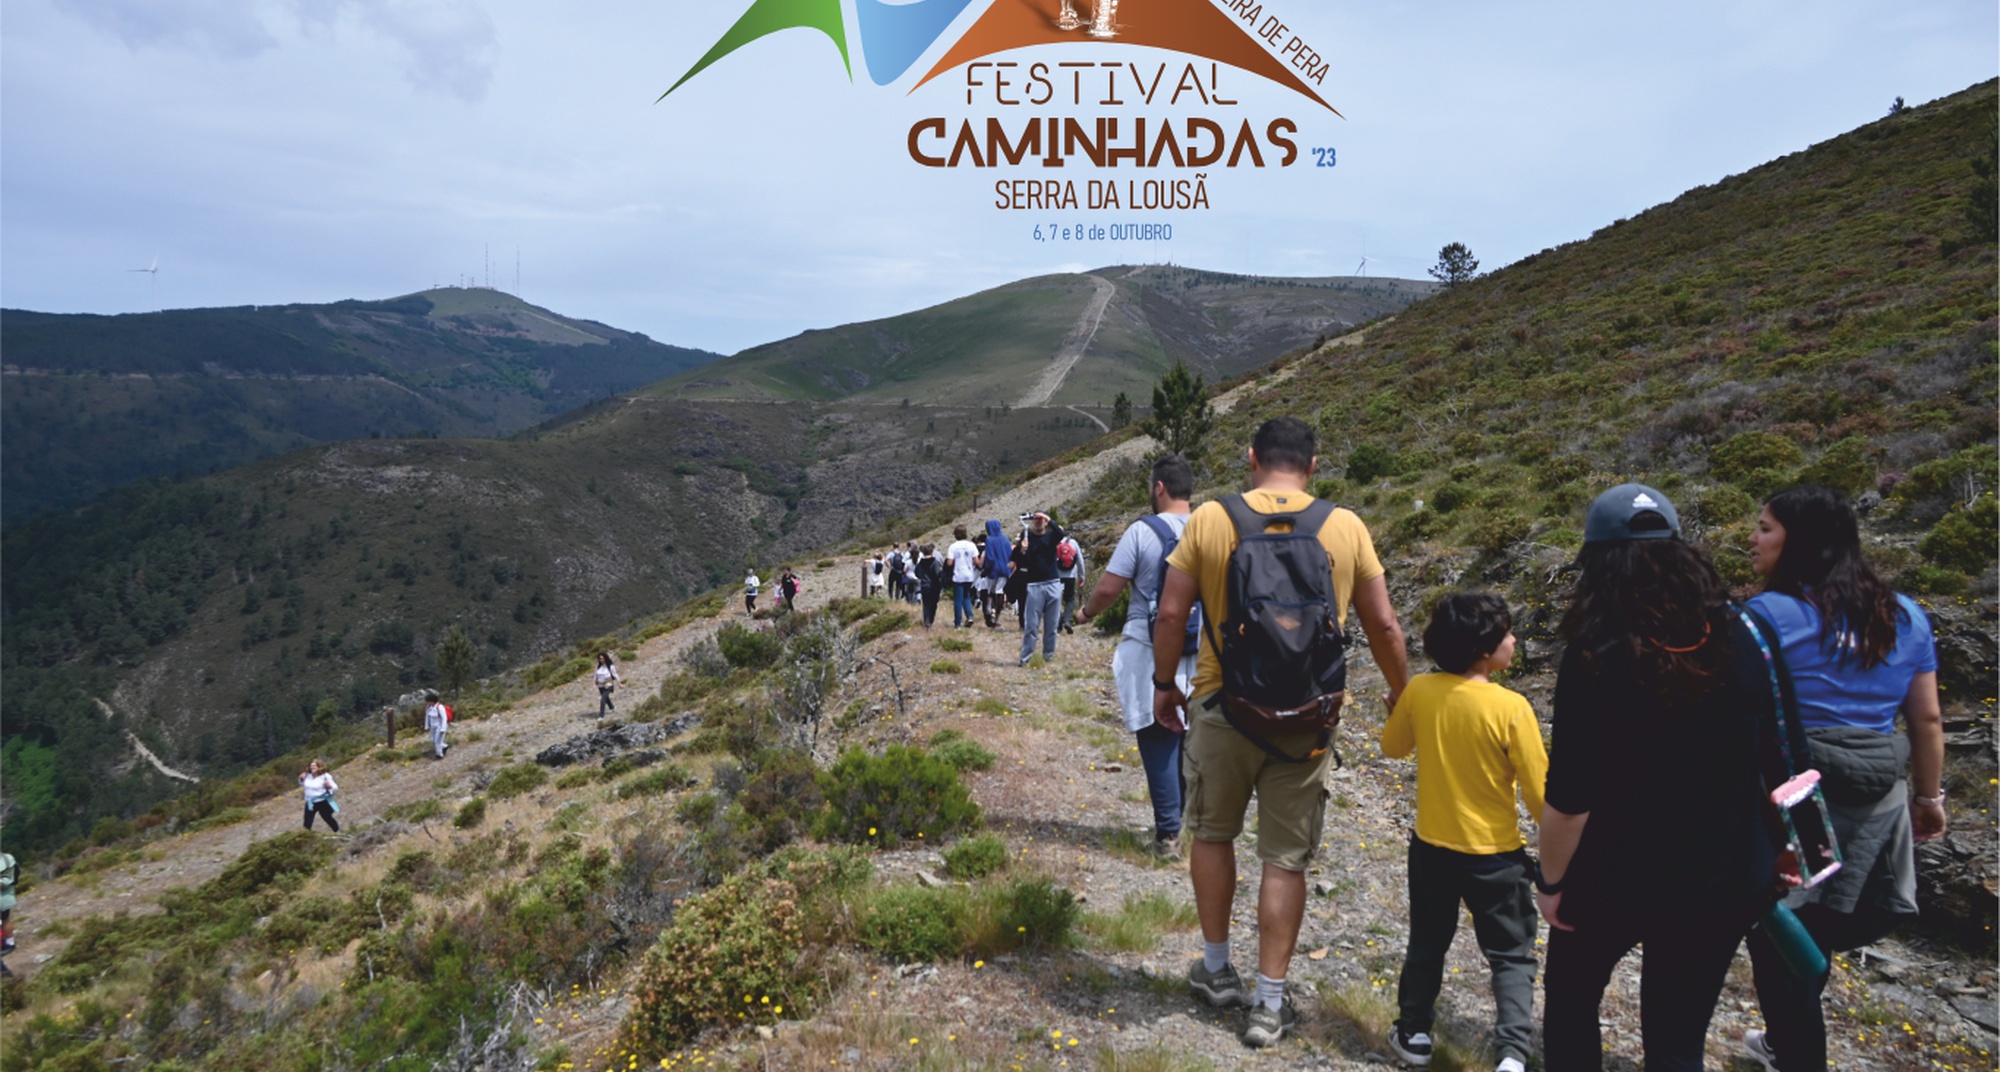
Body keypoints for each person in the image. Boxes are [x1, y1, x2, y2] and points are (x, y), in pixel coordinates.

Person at [1152, 416, 1411, 1048]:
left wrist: (1165, 685)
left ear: (1251, 458)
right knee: (1285, 860)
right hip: (1308, 718)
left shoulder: (1213, 519)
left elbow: (1169, 610)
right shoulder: (1345, 526)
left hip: (1221, 706)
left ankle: (1216, 970)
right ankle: (1268, 1004)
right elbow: (1382, 626)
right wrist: (1404, 695)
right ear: (1314, 465)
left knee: (1213, 834)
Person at [1536, 484, 1795, 1072]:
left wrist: (1551, 881)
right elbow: (1784, 751)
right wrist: (1786, 847)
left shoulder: (1596, 651)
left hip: (1612, 874)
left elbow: (1571, 797)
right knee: (1678, 1038)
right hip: (1723, 875)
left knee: (1573, 1002)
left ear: (1598, 561)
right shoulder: (1747, 632)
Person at [1740, 484, 1947, 1072]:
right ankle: (1788, 1040)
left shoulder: (1766, 617)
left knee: (1784, 928)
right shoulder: (1904, 614)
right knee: (1831, 919)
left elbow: (1742, 711)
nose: (1753, 539)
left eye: (1765, 528)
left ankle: (1794, 1052)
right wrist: (1929, 797)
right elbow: (1926, 717)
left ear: (1796, 541)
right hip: (1881, 793)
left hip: (1799, 791)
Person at [1380, 593, 1547, 1072]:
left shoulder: (1421, 691)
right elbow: (1539, 798)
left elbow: (1392, 748)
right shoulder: (1512, 709)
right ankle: (1512, 1053)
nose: (1514, 641)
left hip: (1431, 847)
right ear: (1484, 649)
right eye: (1507, 634)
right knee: (1511, 956)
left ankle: (1413, 1032)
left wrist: (1397, 707)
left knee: (1428, 941)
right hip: (1497, 857)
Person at [1077, 453, 1199, 860]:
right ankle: (1185, 822)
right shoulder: (1211, 529)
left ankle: (1168, 834)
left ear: (1159, 487)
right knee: (1188, 738)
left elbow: (1110, 588)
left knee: (1157, 736)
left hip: (1148, 646)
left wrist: (1086, 613)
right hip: (1202, 650)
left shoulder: (1141, 532)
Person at [1014, 511, 1070, 666]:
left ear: (1045, 522)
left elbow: (1061, 533)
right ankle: (1025, 658)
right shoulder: (1027, 537)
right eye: (1036, 519)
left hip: (1053, 583)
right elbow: (1018, 559)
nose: (1038, 522)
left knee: (1051, 626)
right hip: (1034, 585)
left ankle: (1048, 657)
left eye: (1041, 519)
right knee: (1031, 625)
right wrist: (1022, 549)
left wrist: (1048, 518)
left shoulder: (1052, 536)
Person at [979, 519, 1013, 627]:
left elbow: (990, 558)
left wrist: (985, 571)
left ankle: (988, 612)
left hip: (993, 570)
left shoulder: (990, 540)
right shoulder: (1005, 538)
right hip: (1005, 569)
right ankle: (997, 616)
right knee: (1000, 592)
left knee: (990, 592)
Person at [947, 525, 980, 628]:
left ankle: (958, 622)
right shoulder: (971, 545)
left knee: (958, 599)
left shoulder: (953, 546)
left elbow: (949, 563)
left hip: (958, 575)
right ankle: (969, 616)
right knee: (966, 596)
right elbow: (976, 561)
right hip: (969, 575)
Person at [300, 758, 341, 832]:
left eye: (314, 766)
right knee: (307, 821)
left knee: (327, 818)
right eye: (311, 766)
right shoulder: (308, 776)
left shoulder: (325, 776)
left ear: (319, 767)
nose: (312, 768)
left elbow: (335, 787)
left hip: (322, 801)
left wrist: (329, 786)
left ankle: (337, 831)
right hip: (310, 802)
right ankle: (305, 837)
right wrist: (301, 779)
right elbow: (304, 784)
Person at [1058, 532, 1086, 633]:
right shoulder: (1073, 543)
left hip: (1057, 576)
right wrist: (1082, 576)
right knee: (1070, 599)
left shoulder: (1054, 543)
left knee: (1056, 599)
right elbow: (1080, 561)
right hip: (1071, 576)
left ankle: (1058, 622)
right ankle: (1067, 620)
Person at [916, 543, 944, 628]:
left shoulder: (920, 563)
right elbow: (937, 574)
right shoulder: (934, 562)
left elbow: (917, 573)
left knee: (926, 604)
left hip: (924, 585)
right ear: (932, 552)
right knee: (933, 604)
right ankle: (930, 620)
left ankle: (926, 621)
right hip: (934, 586)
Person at [0, 846, 17, 965]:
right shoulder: (8, 858)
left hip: (2, 896)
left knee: (4, 920)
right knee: (5, 920)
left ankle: (7, 944)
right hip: (7, 895)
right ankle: (8, 942)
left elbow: (5, 880)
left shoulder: (5, 860)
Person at [424, 689, 450, 759]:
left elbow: (444, 718)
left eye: (428, 701)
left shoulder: (440, 707)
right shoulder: (428, 707)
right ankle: (444, 746)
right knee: (432, 740)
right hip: (433, 727)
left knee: (437, 741)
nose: (427, 703)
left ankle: (439, 755)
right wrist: (427, 726)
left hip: (439, 726)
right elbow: (427, 716)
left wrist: (443, 728)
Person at [594, 652, 621, 717]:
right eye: (600, 659)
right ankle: (612, 707)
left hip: (608, 685)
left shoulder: (610, 666)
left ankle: (601, 715)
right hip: (600, 685)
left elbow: (615, 674)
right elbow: (595, 676)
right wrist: (594, 684)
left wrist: (619, 683)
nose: (601, 660)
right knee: (606, 698)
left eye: (602, 658)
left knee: (602, 699)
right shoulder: (598, 666)